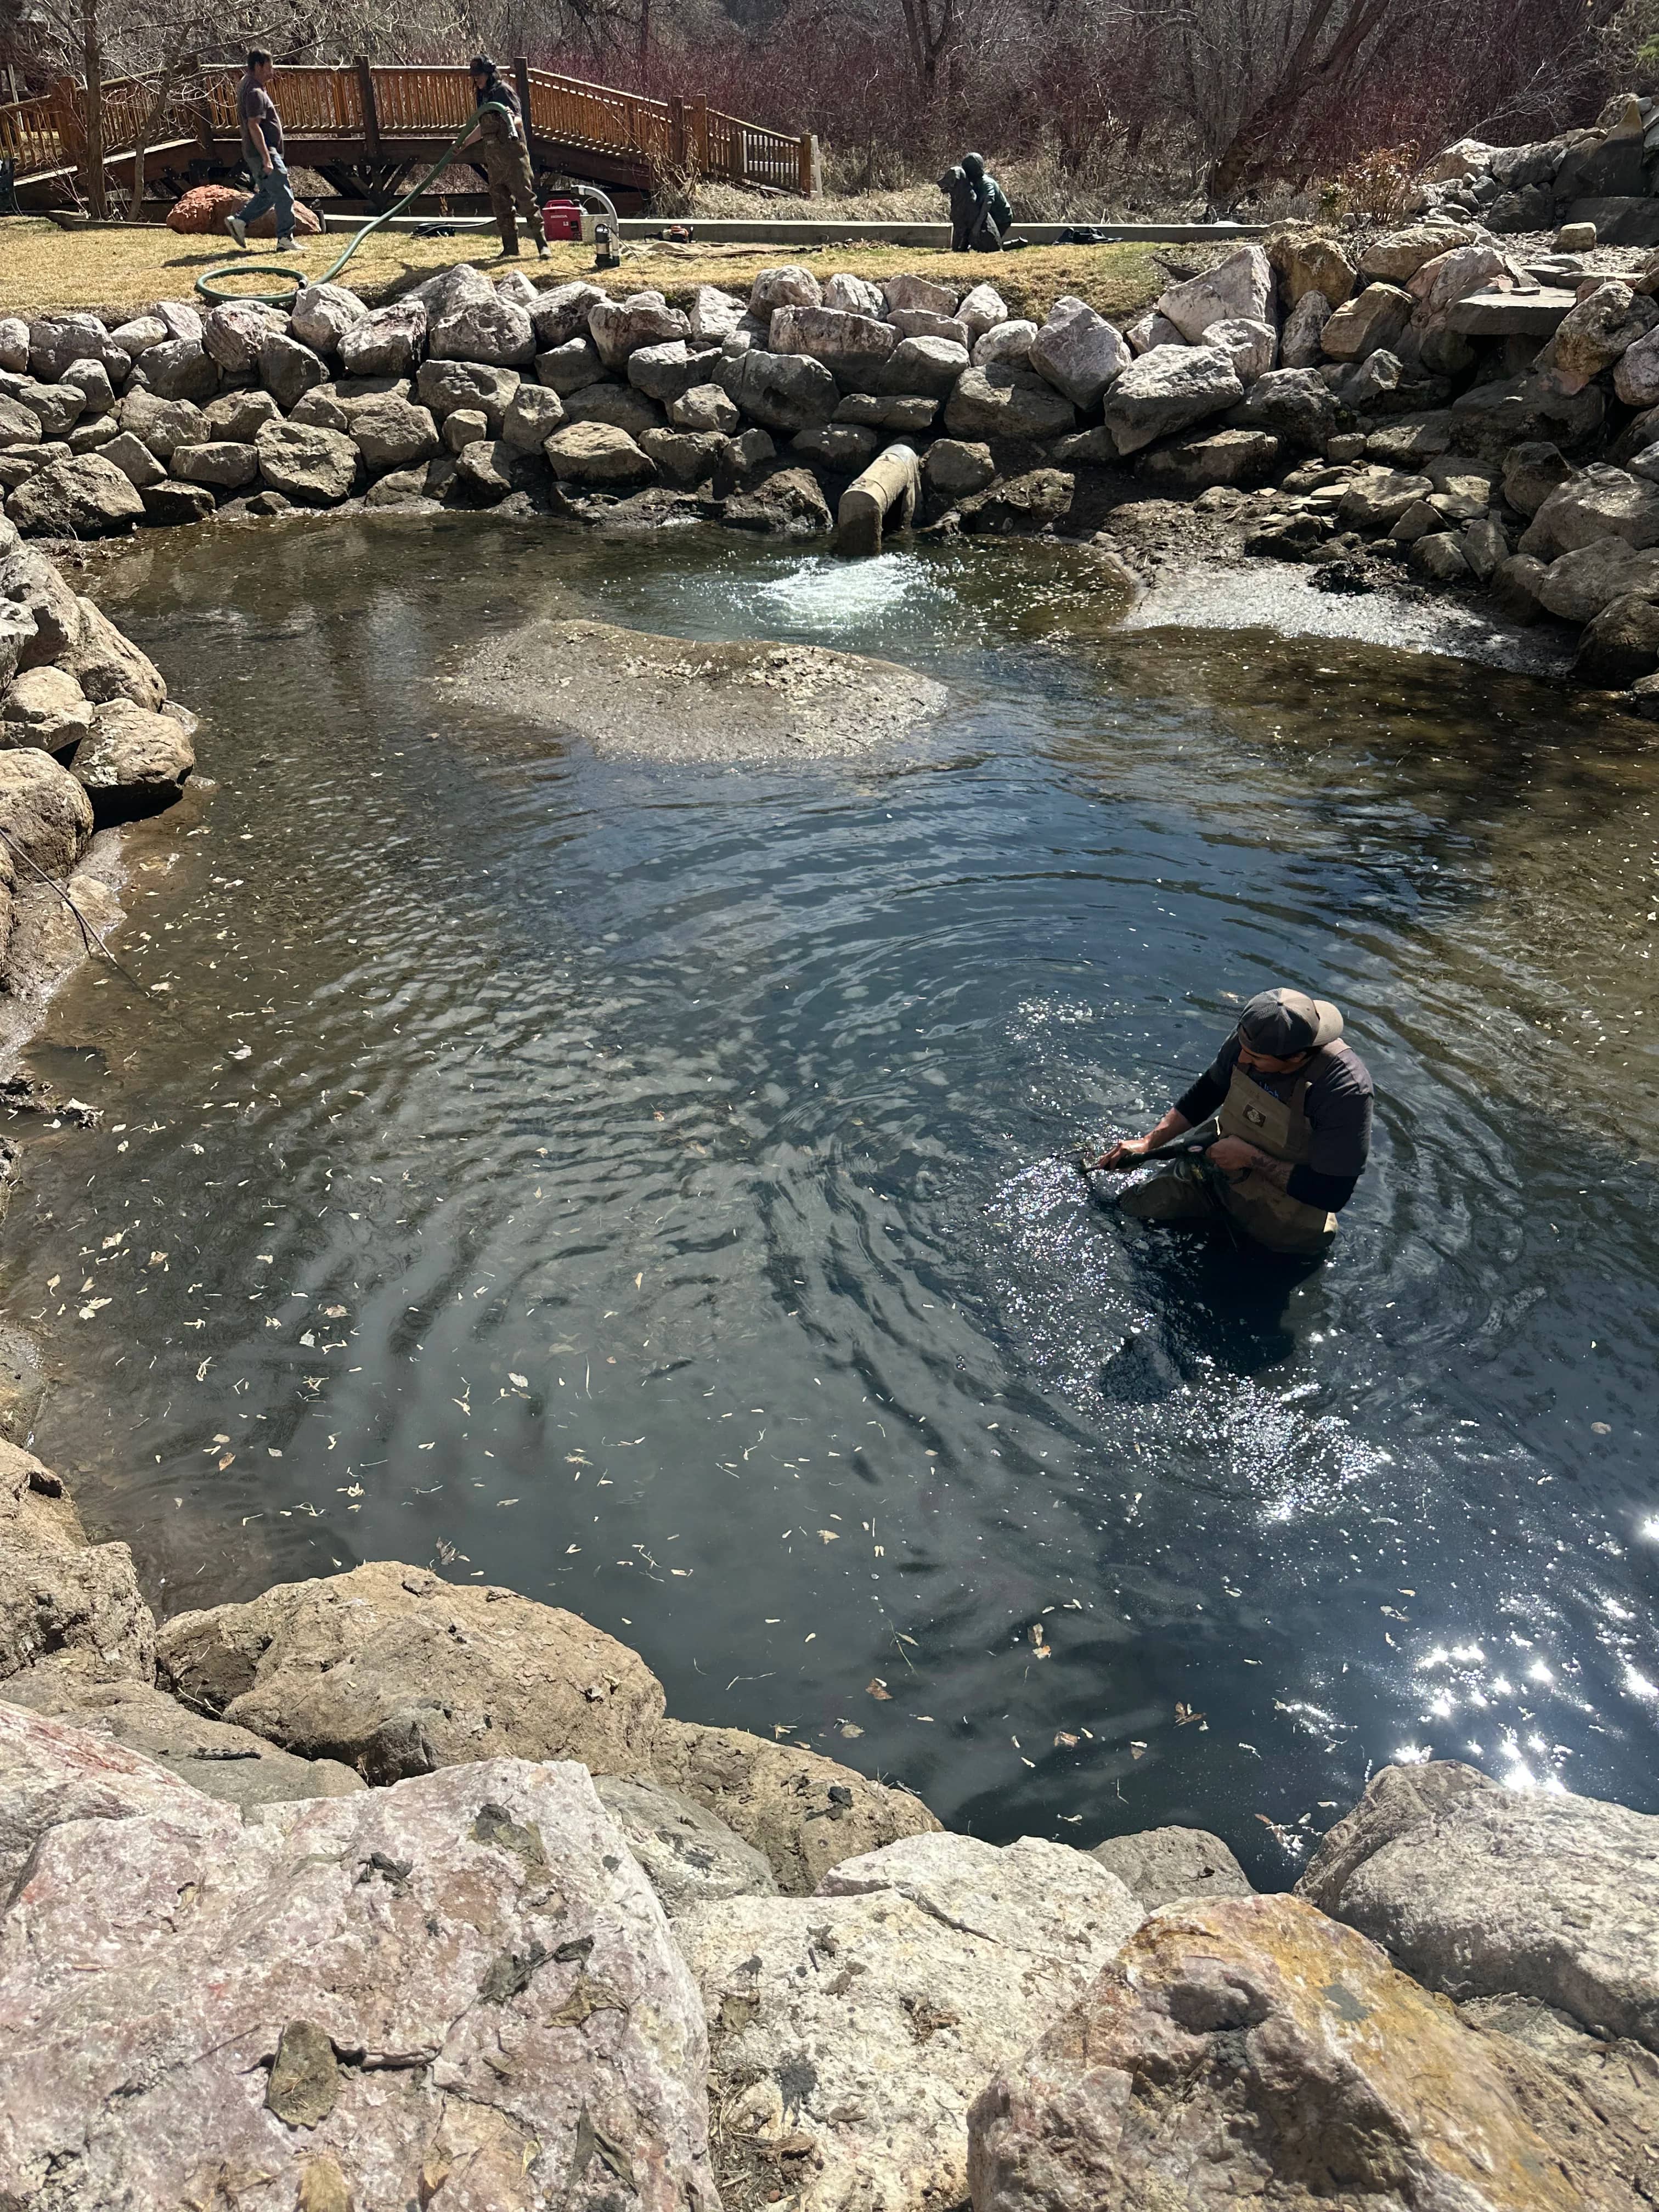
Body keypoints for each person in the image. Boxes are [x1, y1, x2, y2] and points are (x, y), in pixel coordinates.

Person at [1091, 988, 1374, 1257]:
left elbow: (1332, 1194)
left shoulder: (1344, 1090)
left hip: (1284, 1215)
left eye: (1255, 1058)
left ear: (1297, 1057)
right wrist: (1148, 1143)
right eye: (1242, 1047)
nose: (1241, 1058)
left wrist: (1249, 1157)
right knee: (1129, 1211)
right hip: (1214, 1168)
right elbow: (1207, 1093)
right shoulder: (1255, 1034)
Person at [454, 55, 550, 261]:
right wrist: (464, 143)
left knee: (526, 199)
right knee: (500, 203)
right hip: (494, 159)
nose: (476, 80)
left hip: (513, 156)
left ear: (489, 74)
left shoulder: (503, 91)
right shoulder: (482, 96)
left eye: (479, 76)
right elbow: (483, 127)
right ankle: (510, 248)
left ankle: (542, 245)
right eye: (474, 77)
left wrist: (509, 119)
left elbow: (518, 120)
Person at [226, 50, 298, 254]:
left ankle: (239, 221)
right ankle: (285, 239)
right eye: (269, 67)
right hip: (264, 151)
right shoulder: (254, 92)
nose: (271, 72)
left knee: (269, 194)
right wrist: (267, 158)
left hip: (258, 151)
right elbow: (254, 126)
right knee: (284, 194)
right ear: (258, 66)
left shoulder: (247, 84)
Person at [961, 151, 1012, 251]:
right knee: (983, 245)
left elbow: (988, 203)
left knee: (989, 245)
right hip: (989, 216)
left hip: (1001, 218)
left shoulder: (986, 183)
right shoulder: (975, 183)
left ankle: (1013, 245)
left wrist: (977, 226)